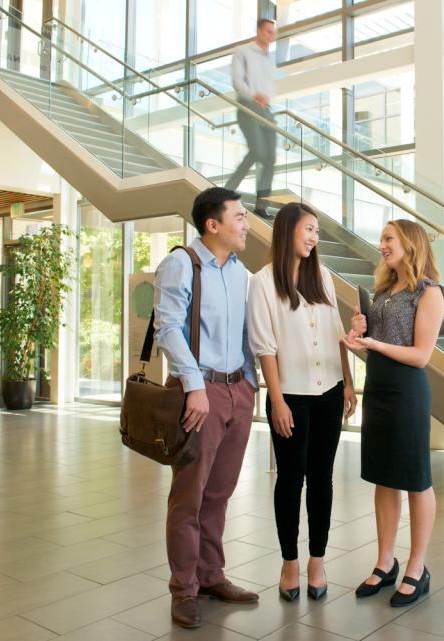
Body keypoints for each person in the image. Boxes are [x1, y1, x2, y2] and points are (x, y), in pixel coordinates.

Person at [154, 186, 259, 629]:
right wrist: (194, 384)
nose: (246, 224)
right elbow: (168, 328)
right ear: (212, 224)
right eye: (238, 217)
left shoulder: (240, 272)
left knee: (219, 493)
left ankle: (211, 575)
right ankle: (184, 590)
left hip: (238, 391)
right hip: (202, 393)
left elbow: (244, 335)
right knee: (189, 497)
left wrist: (250, 385)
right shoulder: (182, 263)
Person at [247, 202, 357, 602]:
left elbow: (337, 332)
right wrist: (276, 401)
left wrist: (347, 383)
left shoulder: (323, 276)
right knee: (290, 480)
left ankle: (317, 560)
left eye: (317, 231)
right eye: (309, 229)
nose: (314, 237)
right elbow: (265, 348)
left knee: (322, 479)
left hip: (329, 391)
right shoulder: (261, 282)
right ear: (287, 230)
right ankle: (289, 561)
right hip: (290, 396)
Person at [345, 220, 444, 608]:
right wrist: (358, 338)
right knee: (384, 478)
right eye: (382, 237)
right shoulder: (384, 290)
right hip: (379, 389)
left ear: (409, 242)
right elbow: (375, 347)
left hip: (407, 391)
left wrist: (374, 343)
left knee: (416, 479)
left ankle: (417, 567)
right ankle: (385, 561)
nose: (382, 244)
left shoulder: (429, 292)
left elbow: (420, 356)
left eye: (388, 238)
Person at [226, 18, 278, 218]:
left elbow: (269, 86)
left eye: (273, 33)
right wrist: (253, 95)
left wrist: (266, 99)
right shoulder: (243, 52)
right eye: (267, 31)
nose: (270, 36)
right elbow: (237, 80)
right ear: (258, 31)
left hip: (266, 109)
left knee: (271, 159)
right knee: (257, 151)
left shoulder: (269, 59)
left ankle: (261, 206)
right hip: (248, 105)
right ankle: (228, 191)